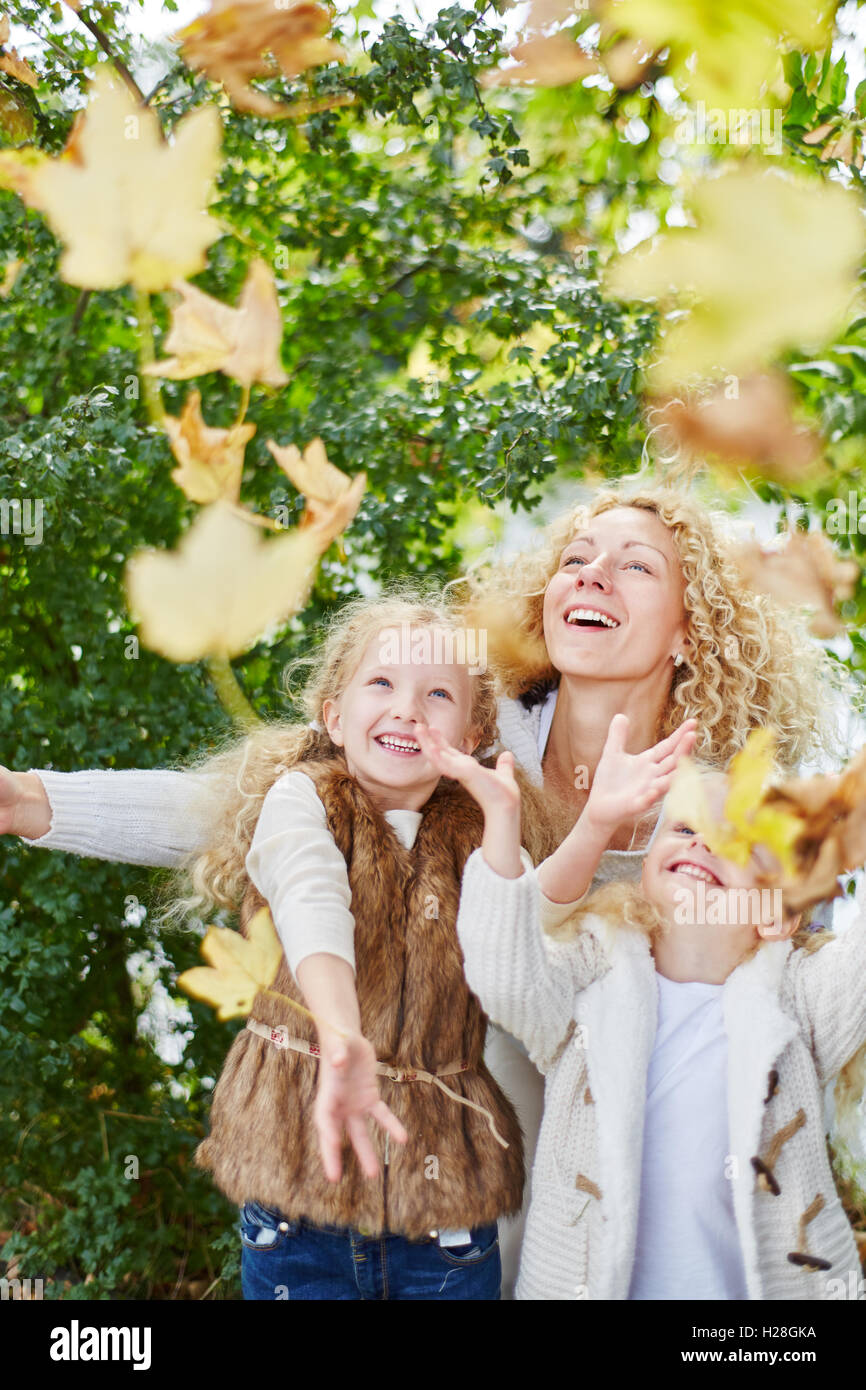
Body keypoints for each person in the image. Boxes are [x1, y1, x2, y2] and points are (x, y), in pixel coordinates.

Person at [2, 484, 842, 1293]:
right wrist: (34, 800)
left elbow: (803, 1004)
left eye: (635, 566)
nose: (590, 575)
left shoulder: (735, 812)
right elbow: (265, 808)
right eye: (577, 557)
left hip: (632, 1216)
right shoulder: (462, 733)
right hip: (452, 1186)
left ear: (691, 632)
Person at [415, 718, 866, 1301]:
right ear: (646, 868)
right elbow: (505, 979)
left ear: (779, 913)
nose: (703, 843)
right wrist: (505, 832)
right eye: (683, 828)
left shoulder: (800, 1003)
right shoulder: (590, 979)